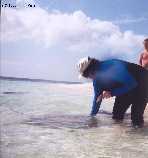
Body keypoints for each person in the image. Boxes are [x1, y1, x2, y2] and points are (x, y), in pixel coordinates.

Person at [77, 57, 148, 127]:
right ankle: (120, 136)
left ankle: (140, 135)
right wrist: (92, 116)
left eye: (86, 75)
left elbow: (132, 83)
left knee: (136, 118)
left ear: (91, 70)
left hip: (143, 80)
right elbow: (97, 99)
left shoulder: (112, 65)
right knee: (117, 115)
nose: (88, 78)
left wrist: (111, 93)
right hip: (125, 86)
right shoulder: (96, 81)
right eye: (85, 76)